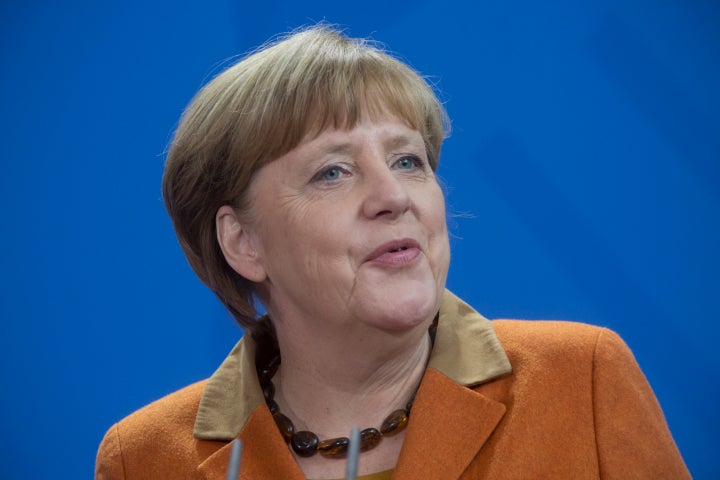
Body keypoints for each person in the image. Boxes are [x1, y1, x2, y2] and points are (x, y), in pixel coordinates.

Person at [95, 26, 690, 480]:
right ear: (243, 243)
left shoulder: (581, 379)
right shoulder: (144, 457)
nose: (392, 196)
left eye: (408, 161)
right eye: (333, 172)